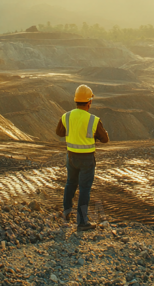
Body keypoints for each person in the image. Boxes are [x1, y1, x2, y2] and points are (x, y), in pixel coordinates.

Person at [55, 84, 109, 231]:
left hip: (71, 157)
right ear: (89, 102)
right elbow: (105, 139)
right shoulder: (94, 120)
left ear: (76, 100)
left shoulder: (66, 116)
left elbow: (59, 133)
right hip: (86, 160)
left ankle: (66, 213)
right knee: (84, 189)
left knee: (70, 184)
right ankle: (82, 222)